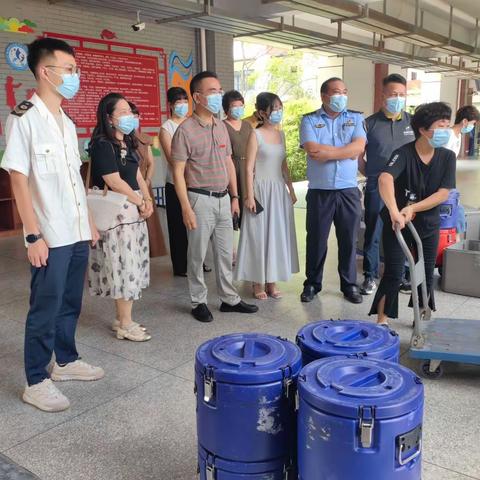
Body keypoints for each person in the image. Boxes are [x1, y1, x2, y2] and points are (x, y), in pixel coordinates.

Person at [1, 38, 104, 412]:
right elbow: (17, 179)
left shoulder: (66, 120)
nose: (76, 76)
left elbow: (74, 179)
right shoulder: (24, 118)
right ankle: (36, 379)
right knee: (45, 306)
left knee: (70, 302)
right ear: (46, 72)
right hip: (49, 233)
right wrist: (32, 234)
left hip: (75, 229)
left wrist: (89, 220)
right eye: (70, 69)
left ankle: (65, 361)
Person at [171, 70, 259, 322]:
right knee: (197, 254)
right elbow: (177, 172)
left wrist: (234, 196)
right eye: (212, 91)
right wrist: (186, 208)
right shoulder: (185, 131)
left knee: (224, 253)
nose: (218, 95)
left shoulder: (220, 127)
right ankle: (198, 300)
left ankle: (229, 299)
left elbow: (229, 162)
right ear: (197, 97)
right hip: (199, 198)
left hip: (223, 199)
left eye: (220, 90)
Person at [369, 102, 456, 325]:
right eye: (440, 126)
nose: (446, 131)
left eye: (448, 125)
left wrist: (413, 208)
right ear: (423, 130)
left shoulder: (447, 157)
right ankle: (382, 320)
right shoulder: (404, 154)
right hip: (398, 223)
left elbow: (443, 194)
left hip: (427, 224)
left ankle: (422, 315)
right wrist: (395, 212)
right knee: (394, 272)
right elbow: (385, 178)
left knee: (425, 272)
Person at [88, 93, 154, 342]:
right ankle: (125, 324)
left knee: (132, 266)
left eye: (131, 112)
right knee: (123, 267)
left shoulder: (128, 142)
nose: (130, 117)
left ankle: (122, 318)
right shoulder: (102, 145)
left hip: (134, 212)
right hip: (118, 215)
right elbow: (113, 180)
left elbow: (137, 175)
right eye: (124, 112)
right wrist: (139, 201)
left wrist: (146, 200)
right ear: (109, 117)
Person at [299, 77, 367, 304]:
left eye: (344, 91)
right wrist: (345, 151)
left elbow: (358, 148)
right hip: (320, 191)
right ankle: (312, 284)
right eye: (337, 92)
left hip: (348, 190)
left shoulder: (356, 118)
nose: (342, 96)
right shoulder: (309, 120)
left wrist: (329, 152)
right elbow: (312, 150)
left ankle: (349, 285)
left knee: (349, 239)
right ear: (324, 96)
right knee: (316, 239)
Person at [234, 92, 299, 299]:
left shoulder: (282, 135)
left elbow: (283, 164)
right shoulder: (256, 134)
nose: (278, 112)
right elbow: (248, 167)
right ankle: (257, 282)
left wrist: (290, 188)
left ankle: (272, 281)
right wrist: (249, 195)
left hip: (278, 190)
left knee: (276, 235)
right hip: (260, 189)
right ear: (262, 112)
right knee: (258, 236)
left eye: (281, 108)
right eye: (274, 108)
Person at [358, 74, 415, 295]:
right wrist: (373, 176)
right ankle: (370, 277)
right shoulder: (369, 124)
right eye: (393, 94)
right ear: (383, 95)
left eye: (401, 95)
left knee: (404, 231)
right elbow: (359, 157)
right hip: (375, 188)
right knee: (373, 231)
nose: (397, 99)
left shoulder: (412, 123)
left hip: (405, 188)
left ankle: (401, 275)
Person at [160, 87, 211, 277]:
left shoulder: (193, 123)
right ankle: (181, 266)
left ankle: (199, 262)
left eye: (184, 101)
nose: (182, 105)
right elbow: (173, 160)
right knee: (178, 227)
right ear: (171, 105)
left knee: (198, 226)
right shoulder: (167, 128)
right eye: (178, 102)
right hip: (176, 183)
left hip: (197, 183)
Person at [129, 102, 167, 258]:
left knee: (149, 226)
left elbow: (151, 163)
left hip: (144, 185)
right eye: (130, 115)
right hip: (129, 189)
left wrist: (148, 180)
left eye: (135, 116)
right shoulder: (119, 140)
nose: (133, 119)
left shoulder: (145, 139)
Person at [444, 105, 480, 239]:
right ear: (464, 121)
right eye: (472, 124)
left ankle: (456, 242)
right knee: (457, 213)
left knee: (458, 214)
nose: (472, 127)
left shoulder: (457, 136)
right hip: (442, 183)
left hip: (449, 181)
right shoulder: (448, 135)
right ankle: (455, 243)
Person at [223, 89, 253, 220]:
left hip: (250, 168)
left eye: (241, 105)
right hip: (232, 168)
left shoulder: (247, 125)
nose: (238, 109)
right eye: (234, 106)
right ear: (226, 109)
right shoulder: (221, 126)